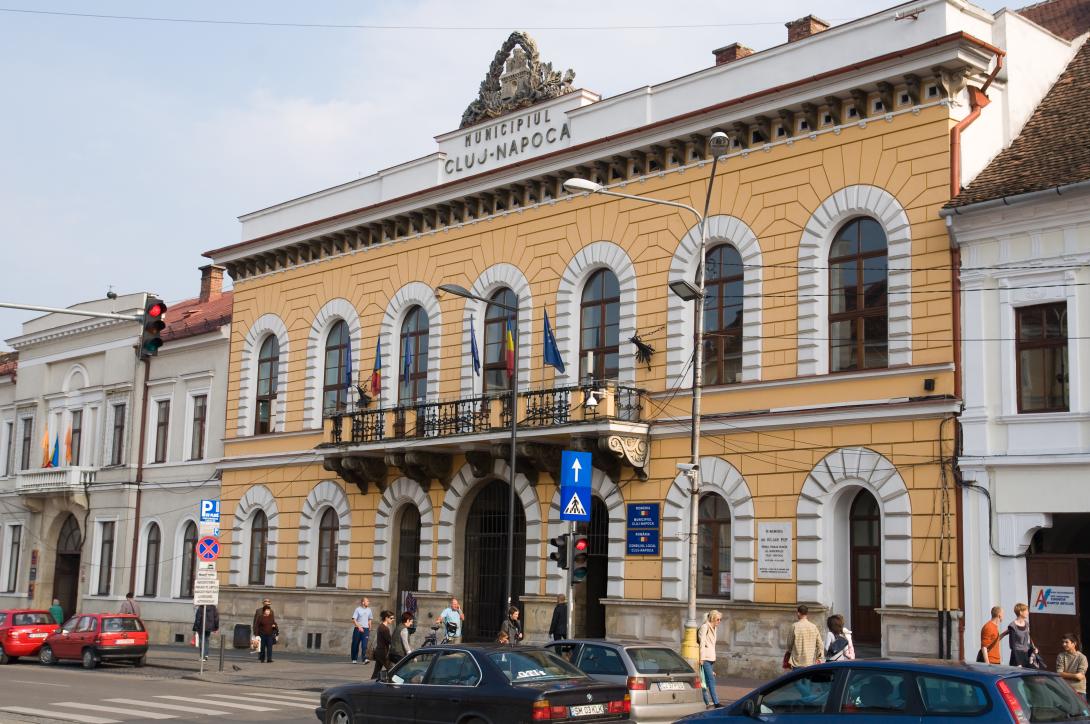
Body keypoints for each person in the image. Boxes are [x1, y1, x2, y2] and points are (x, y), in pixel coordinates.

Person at [786, 604, 824, 669]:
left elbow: (789, 644)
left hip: (797, 662)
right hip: (810, 662)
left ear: (798, 613)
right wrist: (819, 658)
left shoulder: (794, 626)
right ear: (807, 614)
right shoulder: (813, 627)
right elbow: (820, 644)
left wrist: (789, 652)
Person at [698, 610, 723, 709]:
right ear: (712, 618)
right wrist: (702, 658)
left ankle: (706, 702)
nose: (719, 621)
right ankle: (716, 703)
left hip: (711, 658)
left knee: (706, 681)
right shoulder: (705, 627)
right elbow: (702, 643)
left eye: (720, 619)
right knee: (711, 681)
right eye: (718, 619)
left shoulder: (714, 628)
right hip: (706, 658)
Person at [1057, 633, 1088, 701]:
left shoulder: (1082, 657)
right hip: (1066, 689)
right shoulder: (1061, 656)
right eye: (1063, 642)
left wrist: (1065, 674)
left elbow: (1080, 676)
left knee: (1081, 711)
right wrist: (1075, 675)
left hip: (1079, 690)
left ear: (1074, 643)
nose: (1064, 644)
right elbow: (1059, 673)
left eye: (1066, 642)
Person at [1006, 602, 1038, 668]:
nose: (1028, 612)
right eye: (1026, 611)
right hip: (1017, 656)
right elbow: (1012, 645)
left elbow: (1029, 639)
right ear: (1020, 612)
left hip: (1026, 655)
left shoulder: (1027, 624)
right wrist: (1018, 662)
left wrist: (1033, 648)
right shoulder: (1012, 626)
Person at [371, 610, 395, 680]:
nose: (392, 620)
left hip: (379, 651)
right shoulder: (385, 629)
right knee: (393, 670)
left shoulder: (380, 626)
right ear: (386, 618)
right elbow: (390, 641)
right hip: (383, 653)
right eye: (391, 618)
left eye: (393, 618)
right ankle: (397, 683)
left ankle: (371, 684)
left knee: (376, 672)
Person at [351, 597, 373, 664]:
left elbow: (370, 619)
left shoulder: (369, 610)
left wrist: (370, 626)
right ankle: (354, 659)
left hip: (366, 629)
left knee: (364, 645)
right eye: (367, 601)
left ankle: (365, 659)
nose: (368, 602)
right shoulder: (358, 609)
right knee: (355, 644)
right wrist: (359, 626)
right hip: (358, 629)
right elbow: (353, 620)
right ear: (363, 602)